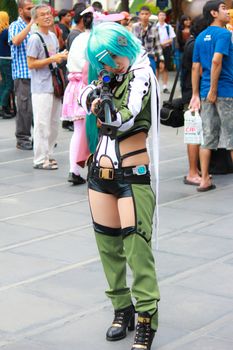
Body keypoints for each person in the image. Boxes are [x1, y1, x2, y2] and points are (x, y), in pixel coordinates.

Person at [79, 22, 160, 350]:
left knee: (137, 249)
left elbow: (124, 117)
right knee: (108, 248)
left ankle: (145, 319)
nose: (110, 65)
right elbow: (85, 96)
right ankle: (121, 308)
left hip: (132, 173)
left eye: (113, 57)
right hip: (99, 172)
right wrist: (93, 96)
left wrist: (102, 105)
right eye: (103, 61)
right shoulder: (105, 75)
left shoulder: (142, 74)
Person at [189, 0, 233, 192]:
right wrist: (214, 89)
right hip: (224, 92)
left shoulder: (199, 37)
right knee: (231, 137)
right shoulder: (224, 33)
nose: (228, 12)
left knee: (208, 137)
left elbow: (195, 67)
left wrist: (197, 94)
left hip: (206, 93)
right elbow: (217, 61)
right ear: (214, 13)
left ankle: (204, 179)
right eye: (224, 8)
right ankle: (205, 179)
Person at [27, 4, 68, 170]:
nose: (47, 16)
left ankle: (48, 155)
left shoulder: (52, 35)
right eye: (42, 15)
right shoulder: (34, 38)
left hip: (54, 85)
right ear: (36, 20)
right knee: (42, 124)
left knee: (53, 123)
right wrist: (53, 59)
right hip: (40, 87)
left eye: (49, 13)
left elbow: (55, 58)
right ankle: (39, 159)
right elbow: (31, 63)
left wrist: (61, 57)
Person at [62, 7, 94, 185]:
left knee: (79, 131)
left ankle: (74, 169)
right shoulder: (93, 39)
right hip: (86, 87)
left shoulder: (79, 38)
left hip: (74, 86)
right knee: (90, 130)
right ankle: (86, 168)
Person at [181, 16, 207, 186]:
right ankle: (192, 172)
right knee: (194, 132)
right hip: (192, 94)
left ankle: (195, 169)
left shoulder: (191, 42)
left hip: (191, 93)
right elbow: (198, 69)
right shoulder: (194, 45)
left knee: (195, 131)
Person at [8, 0, 34, 150]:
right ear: (20, 11)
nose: (31, 11)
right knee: (24, 108)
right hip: (22, 74)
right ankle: (22, 138)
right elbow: (16, 41)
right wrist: (31, 25)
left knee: (37, 108)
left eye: (33, 8)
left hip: (37, 74)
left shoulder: (36, 27)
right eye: (28, 8)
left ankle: (39, 136)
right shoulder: (15, 26)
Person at [132, 6, 164, 74]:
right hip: (137, 57)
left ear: (149, 14)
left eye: (146, 14)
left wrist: (161, 60)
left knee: (152, 77)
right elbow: (132, 43)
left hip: (150, 56)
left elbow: (158, 45)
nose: (144, 16)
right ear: (139, 15)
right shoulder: (135, 27)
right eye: (142, 14)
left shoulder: (154, 28)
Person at [156, 10, 176, 93]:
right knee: (156, 68)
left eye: (163, 15)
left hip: (166, 49)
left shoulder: (168, 27)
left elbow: (172, 39)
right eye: (160, 15)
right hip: (156, 49)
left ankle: (165, 86)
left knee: (165, 68)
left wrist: (163, 43)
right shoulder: (154, 27)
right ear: (158, 16)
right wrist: (158, 44)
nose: (162, 17)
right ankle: (156, 86)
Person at [0, 11, 14, 119]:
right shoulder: (6, 31)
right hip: (7, 59)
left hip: (1, 59)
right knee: (9, 84)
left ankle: (4, 107)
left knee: (4, 84)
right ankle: (3, 106)